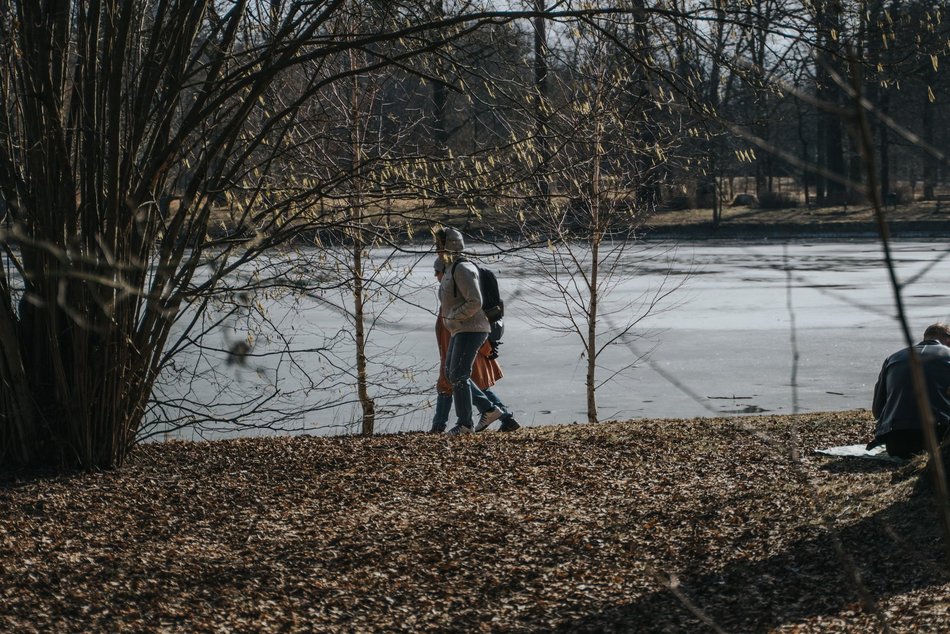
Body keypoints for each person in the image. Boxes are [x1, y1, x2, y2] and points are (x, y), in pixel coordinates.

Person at [430, 256, 519, 433]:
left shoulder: (456, 303)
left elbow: (459, 331)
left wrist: (487, 350)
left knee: (453, 384)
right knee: (470, 386)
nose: (436, 276)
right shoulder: (451, 301)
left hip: (468, 353)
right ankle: (505, 418)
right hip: (467, 353)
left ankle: (443, 427)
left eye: (438, 272)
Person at [869, 323, 950, 458]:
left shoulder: (893, 358)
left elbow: (878, 411)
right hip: (938, 439)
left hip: (897, 442)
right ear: (948, 339)